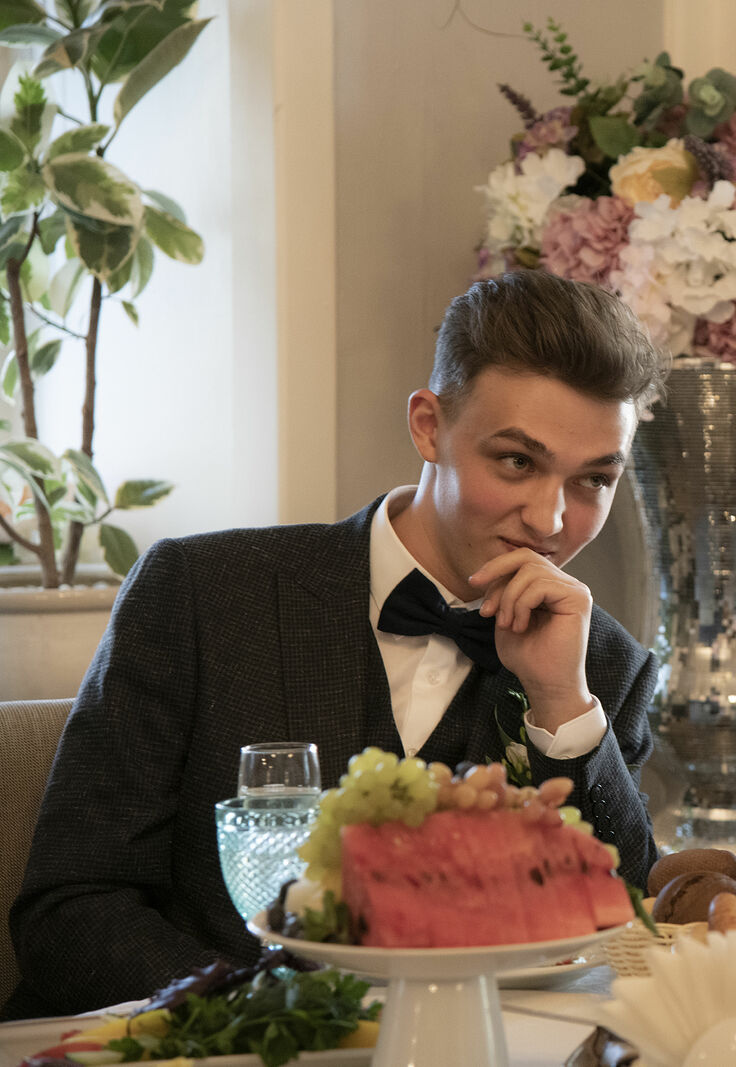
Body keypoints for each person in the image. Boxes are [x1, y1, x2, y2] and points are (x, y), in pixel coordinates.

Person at [5, 270, 666, 1018]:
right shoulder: (200, 592)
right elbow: (71, 909)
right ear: (428, 426)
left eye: (593, 481)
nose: (551, 519)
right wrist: (279, 1025)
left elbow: (630, 930)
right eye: (517, 461)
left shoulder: (603, 665)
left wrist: (560, 703)